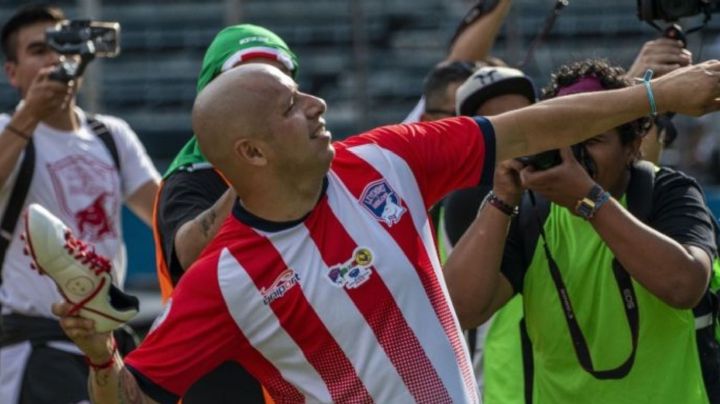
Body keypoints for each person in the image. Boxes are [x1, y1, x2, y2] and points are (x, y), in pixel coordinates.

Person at [49, 59, 720, 402]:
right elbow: (135, 398)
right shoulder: (226, 278)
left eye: (303, 91)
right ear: (252, 154)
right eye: (290, 105)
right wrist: (101, 354)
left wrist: (659, 95)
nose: (316, 104)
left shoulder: (383, 160)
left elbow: (526, 128)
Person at [444, 58, 720, 403]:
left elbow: (684, 285)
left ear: (632, 146)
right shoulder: (530, 213)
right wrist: (502, 198)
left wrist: (588, 201)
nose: (573, 157)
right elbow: (461, 311)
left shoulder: (666, 192)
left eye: (591, 140)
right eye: (563, 139)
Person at [0, 4, 159, 404]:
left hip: (108, 346)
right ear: (12, 72)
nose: (55, 59)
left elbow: (164, 213)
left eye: (64, 46)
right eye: (38, 50)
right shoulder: (8, 130)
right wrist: (30, 114)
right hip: (38, 348)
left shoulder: (111, 134)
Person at [153, 24, 298, 403]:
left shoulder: (307, 169)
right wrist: (253, 176)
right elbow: (189, 253)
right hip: (217, 377)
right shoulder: (189, 179)